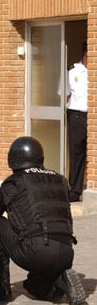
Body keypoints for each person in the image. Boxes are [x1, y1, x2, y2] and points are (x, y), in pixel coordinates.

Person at [0, 136, 87, 305]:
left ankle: (2, 288)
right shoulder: (60, 180)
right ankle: (61, 280)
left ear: (13, 161)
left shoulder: (16, 181)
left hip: (37, 251)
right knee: (32, 287)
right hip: (66, 252)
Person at [66, 43, 88, 202]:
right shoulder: (72, 71)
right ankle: (75, 190)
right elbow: (65, 94)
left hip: (92, 116)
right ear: (85, 54)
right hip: (77, 116)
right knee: (77, 153)